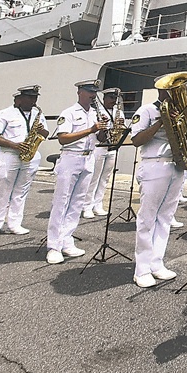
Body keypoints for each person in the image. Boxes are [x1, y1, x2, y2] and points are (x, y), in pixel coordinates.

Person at [130, 73, 187, 287]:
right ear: (161, 90)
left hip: (176, 165)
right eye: (171, 89)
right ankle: (142, 269)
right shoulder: (146, 111)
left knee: (165, 217)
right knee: (147, 218)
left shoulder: (185, 110)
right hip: (154, 165)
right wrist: (161, 122)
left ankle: (156, 263)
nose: (176, 93)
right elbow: (136, 140)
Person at [46, 80, 107, 264]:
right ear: (80, 92)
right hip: (71, 157)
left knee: (77, 203)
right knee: (61, 202)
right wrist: (91, 129)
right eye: (89, 91)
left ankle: (67, 240)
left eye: (94, 92)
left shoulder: (95, 113)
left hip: (88, 158)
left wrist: (103, 129)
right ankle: (53, 246)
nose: (93, 95)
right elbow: (63, 138)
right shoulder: (69, 113)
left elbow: (100, 138)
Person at [0, 85, 47, 240]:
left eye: (35, 98)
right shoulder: (5, 113)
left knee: (21, 192)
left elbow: (45, 133)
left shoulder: (38, 114)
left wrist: (40, 130)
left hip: (30, 156)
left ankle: (15, 224)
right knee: (2, 192)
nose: (34, 101)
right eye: (30, 98)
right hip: (9, 154)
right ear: (20, 98)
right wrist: (14, 145)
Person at [82, 87, 124, 219]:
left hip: (112, 147)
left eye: (115, 98)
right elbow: (96, 133)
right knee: (94, 178)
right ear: (104, 98)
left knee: (105, 179)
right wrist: (103, 125)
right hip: (99, 147)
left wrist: (120, 125)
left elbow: (121, 129)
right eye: (111, 98)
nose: (113, 101)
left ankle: (98, 204)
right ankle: (86, 206)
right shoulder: (97, 112)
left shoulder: (118, 112)